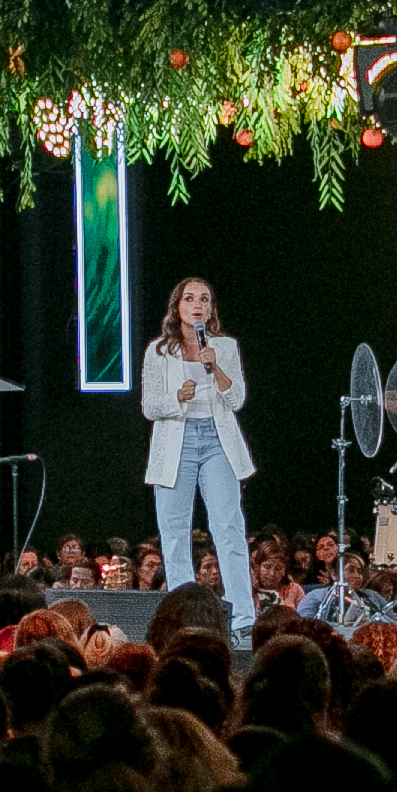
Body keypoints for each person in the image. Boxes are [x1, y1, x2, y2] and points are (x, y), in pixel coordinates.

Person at [142, 272, 260, 638]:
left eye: (205, 299)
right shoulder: (159, 350)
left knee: (229, 527)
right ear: (177, 307)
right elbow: (149, 406)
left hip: (216, 440)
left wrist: (216, 368)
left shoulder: (224, 346)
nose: (198, 305)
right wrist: (177, 396)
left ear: (211, 309)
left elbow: (237, 398)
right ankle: (185, 618)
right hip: (176, 440)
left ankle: (242, 618)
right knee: (174, 532)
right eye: (190, 298)